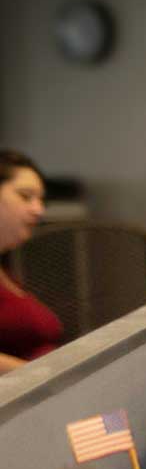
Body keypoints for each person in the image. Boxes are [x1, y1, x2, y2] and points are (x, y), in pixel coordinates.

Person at [0, 150, 62, 372]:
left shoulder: (7, 269)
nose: (39, 210)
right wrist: (38, 377)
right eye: (25, 196)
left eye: (40, 200)